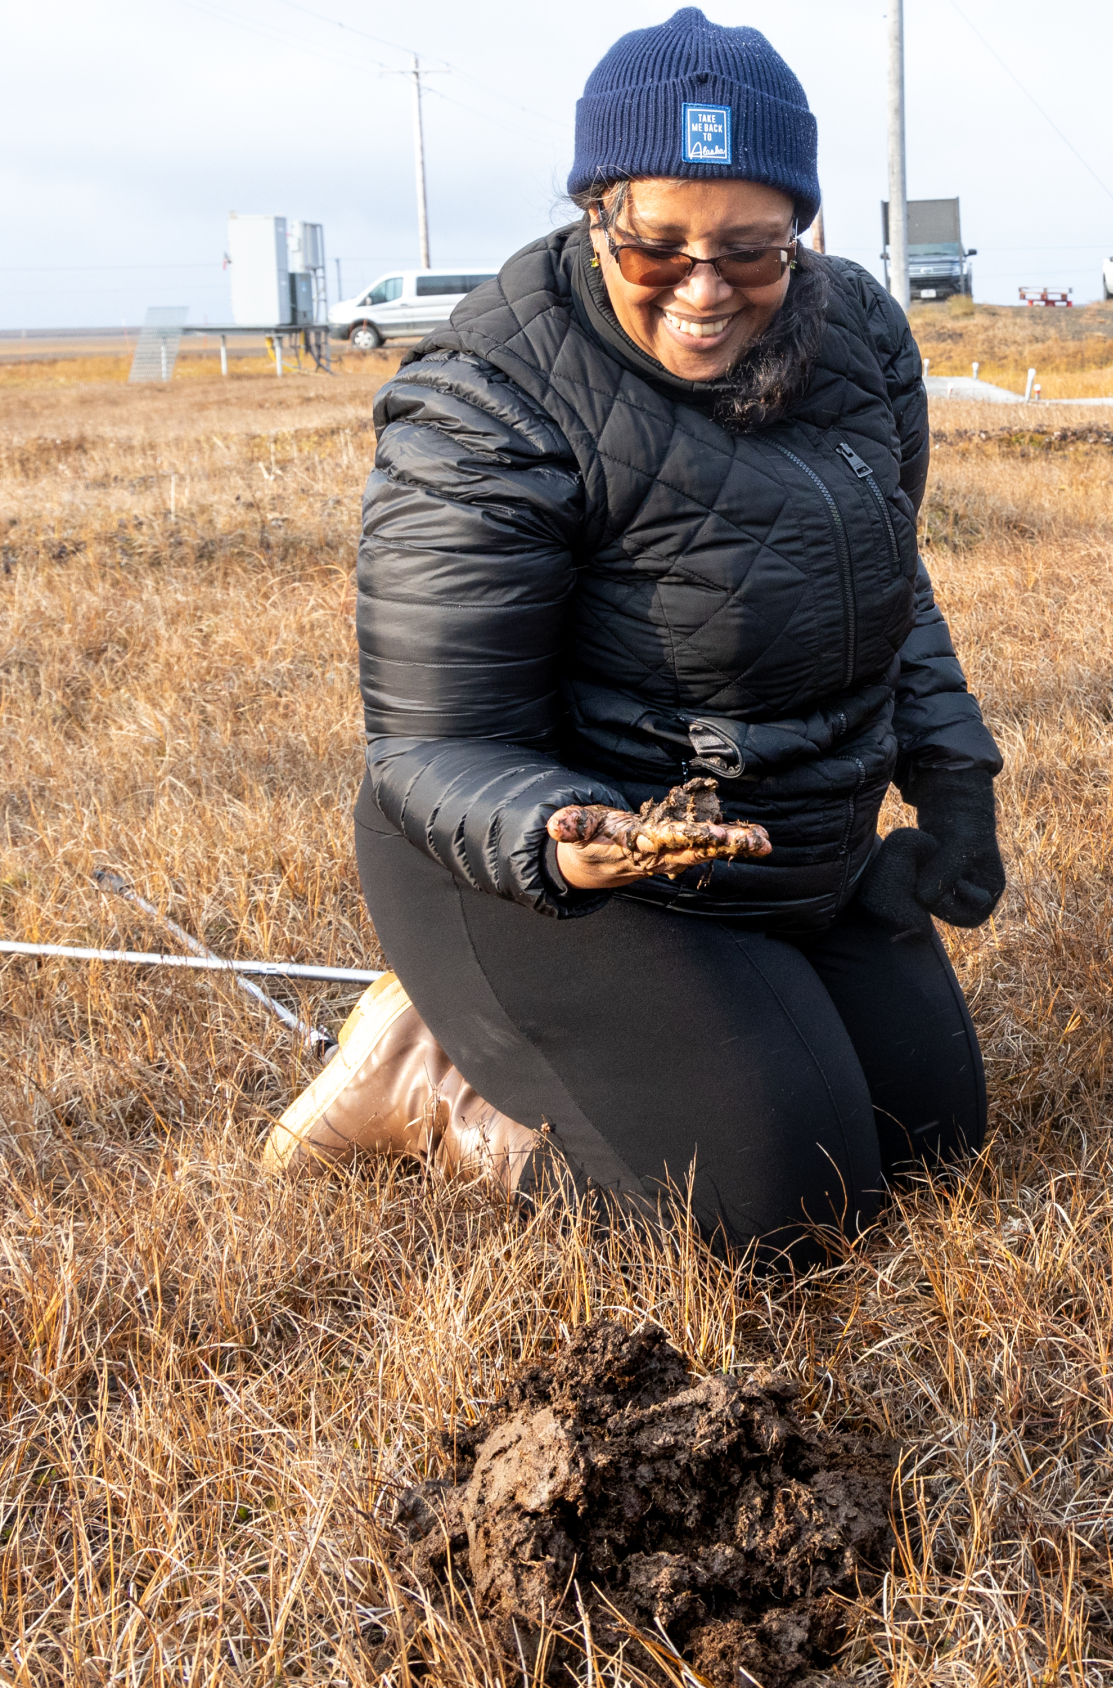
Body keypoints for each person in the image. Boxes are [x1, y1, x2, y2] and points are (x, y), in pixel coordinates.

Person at [264, 7, 1004, 1268]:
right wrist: (563, 831)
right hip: (549, 859)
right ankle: (429, 1084)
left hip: (779, 840)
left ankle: (774, 1006)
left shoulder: (864, 337)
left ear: (803, 229)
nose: (707, 290)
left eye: (754, 250)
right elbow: (433, 741)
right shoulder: (489, 396)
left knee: (934, 1143)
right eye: (656, 246)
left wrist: (954, 768)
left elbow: (893, 576)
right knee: (786, 1210)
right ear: (594, 209)